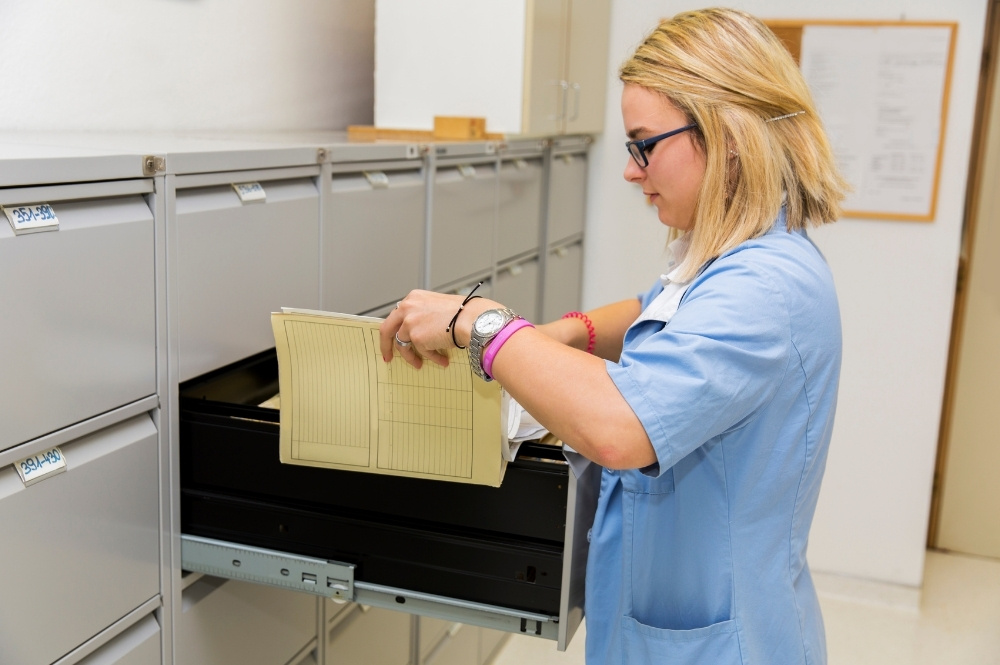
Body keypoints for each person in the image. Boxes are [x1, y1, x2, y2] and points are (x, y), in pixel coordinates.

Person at [380, 7, 847, 664]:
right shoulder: (734, 256)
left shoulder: (764, 288)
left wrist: (482, 325)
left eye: (644, 144)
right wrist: (567, 332)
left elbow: (619, 427)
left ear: (728, 135)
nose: (632, 171)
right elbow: (657, 309)